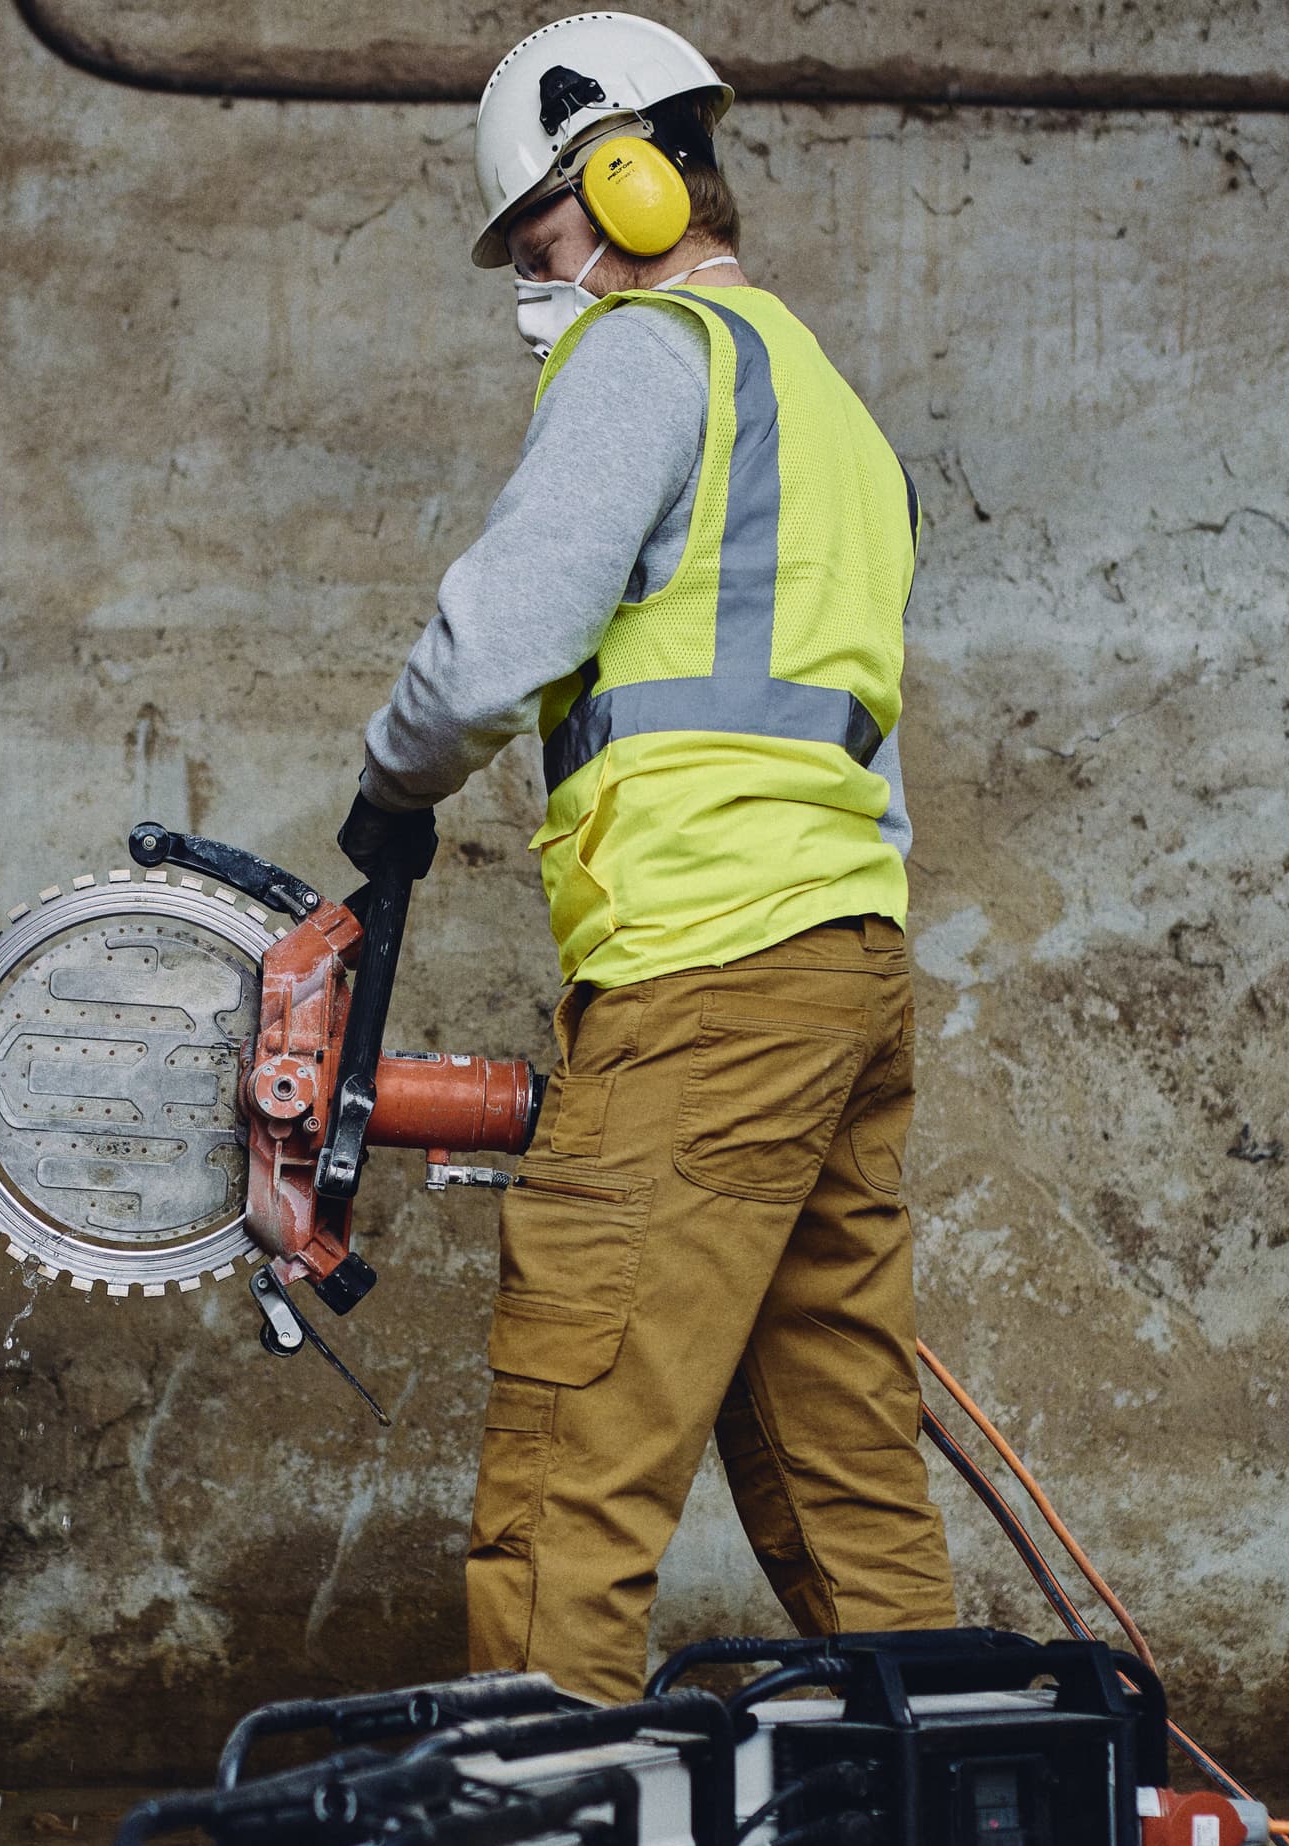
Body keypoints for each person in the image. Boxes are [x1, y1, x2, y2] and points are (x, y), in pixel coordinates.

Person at [334, 10, 955, 1705]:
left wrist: (389, 797)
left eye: (542, 243)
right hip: (842, 968)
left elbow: (490, 649)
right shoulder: (827, 407)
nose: (540, 285)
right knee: (846, 1470)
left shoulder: (648, 353)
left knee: (568, 1462)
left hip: (709, 973)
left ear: (624, 176)